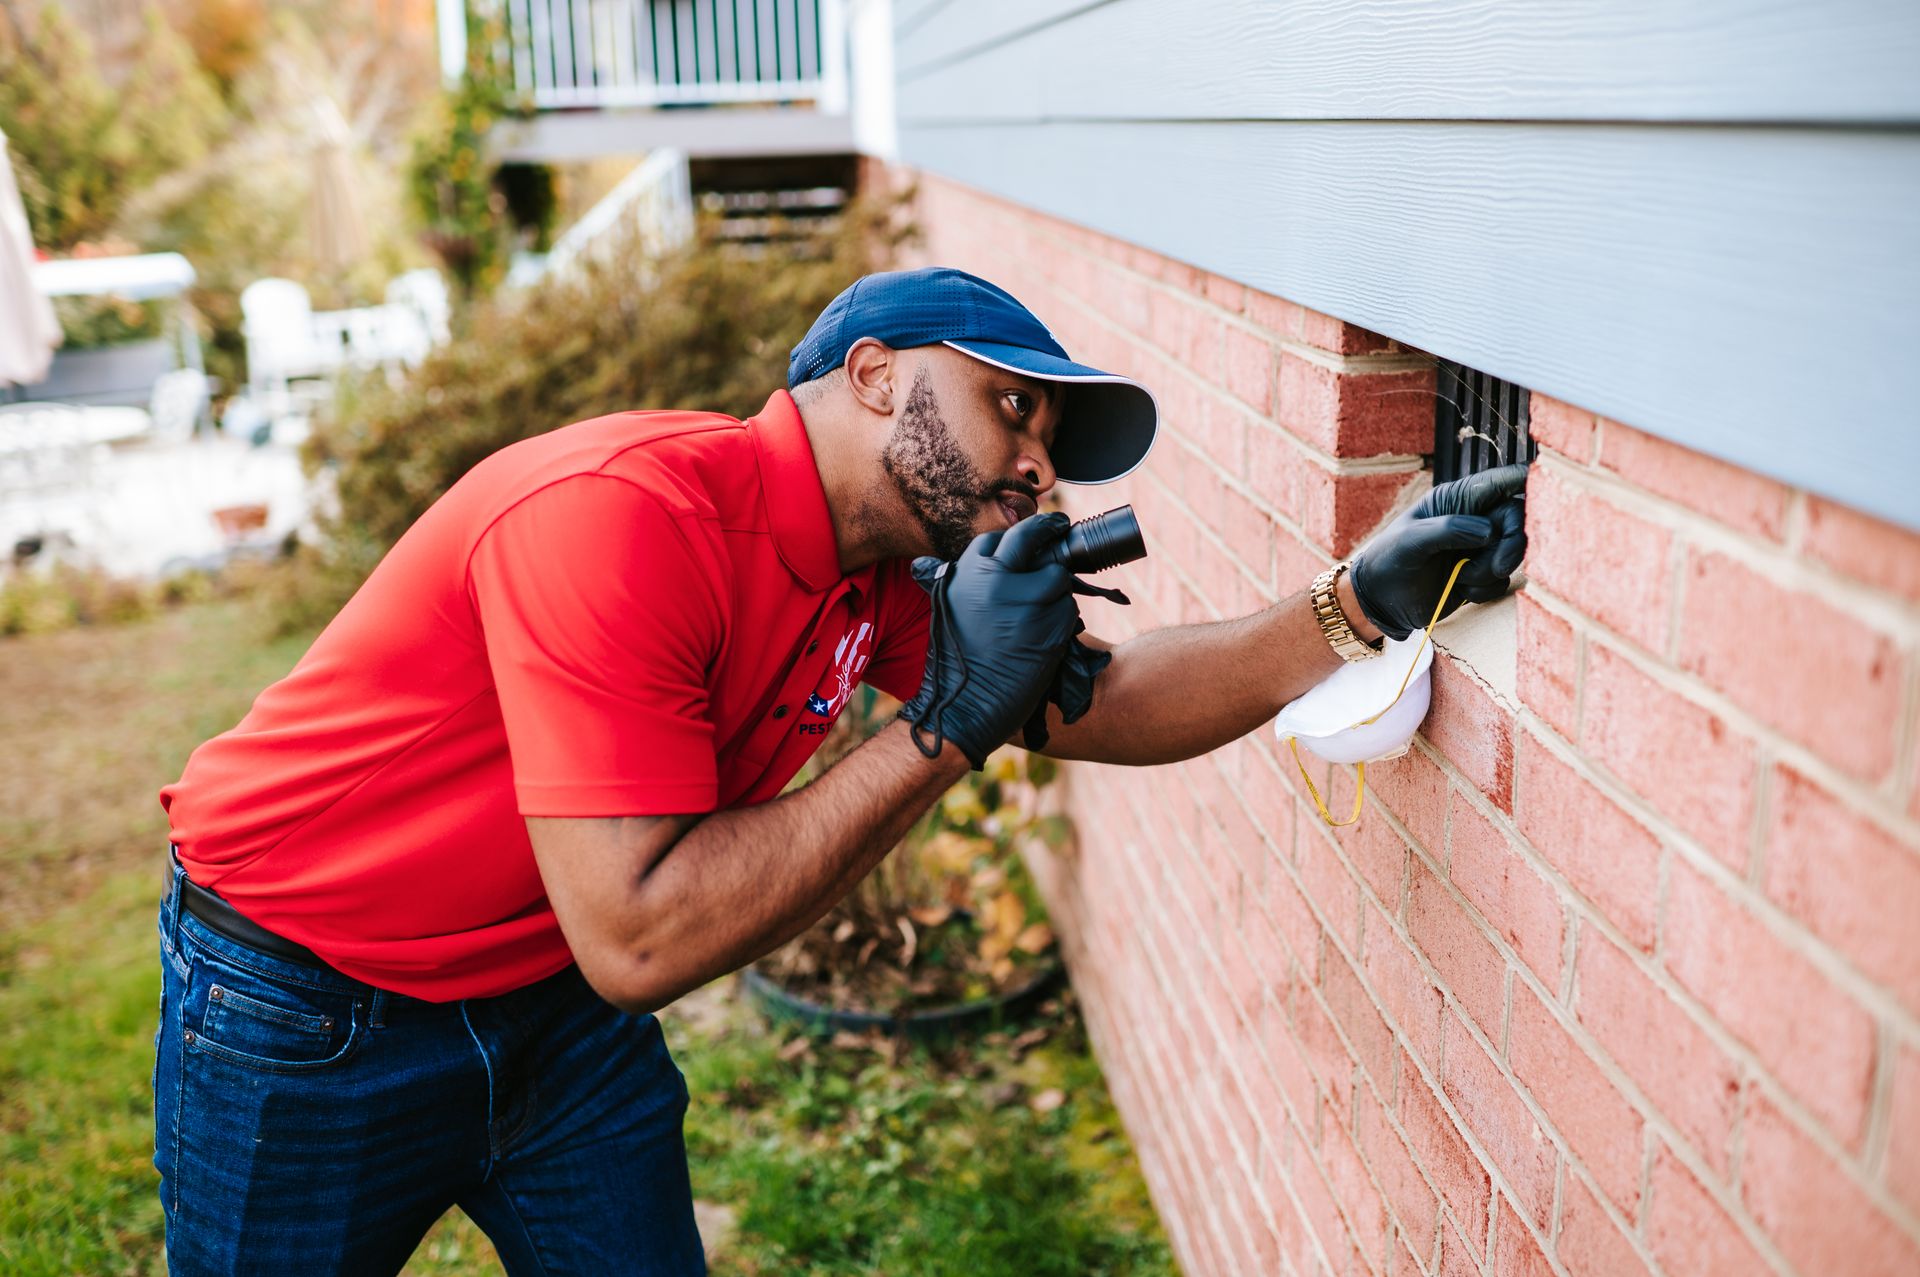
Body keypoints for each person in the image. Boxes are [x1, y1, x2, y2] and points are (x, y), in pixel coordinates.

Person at [152, 266, 1527, 1274]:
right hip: (306, 999)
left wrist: (1351, 605)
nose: (1037, 466)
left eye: (1049, 441)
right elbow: (639, 934)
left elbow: (1092, 703)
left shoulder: (874, 571)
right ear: (872, 375)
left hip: (548, 1007)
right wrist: (940, 731)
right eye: (1010, 409)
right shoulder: (624, 524)